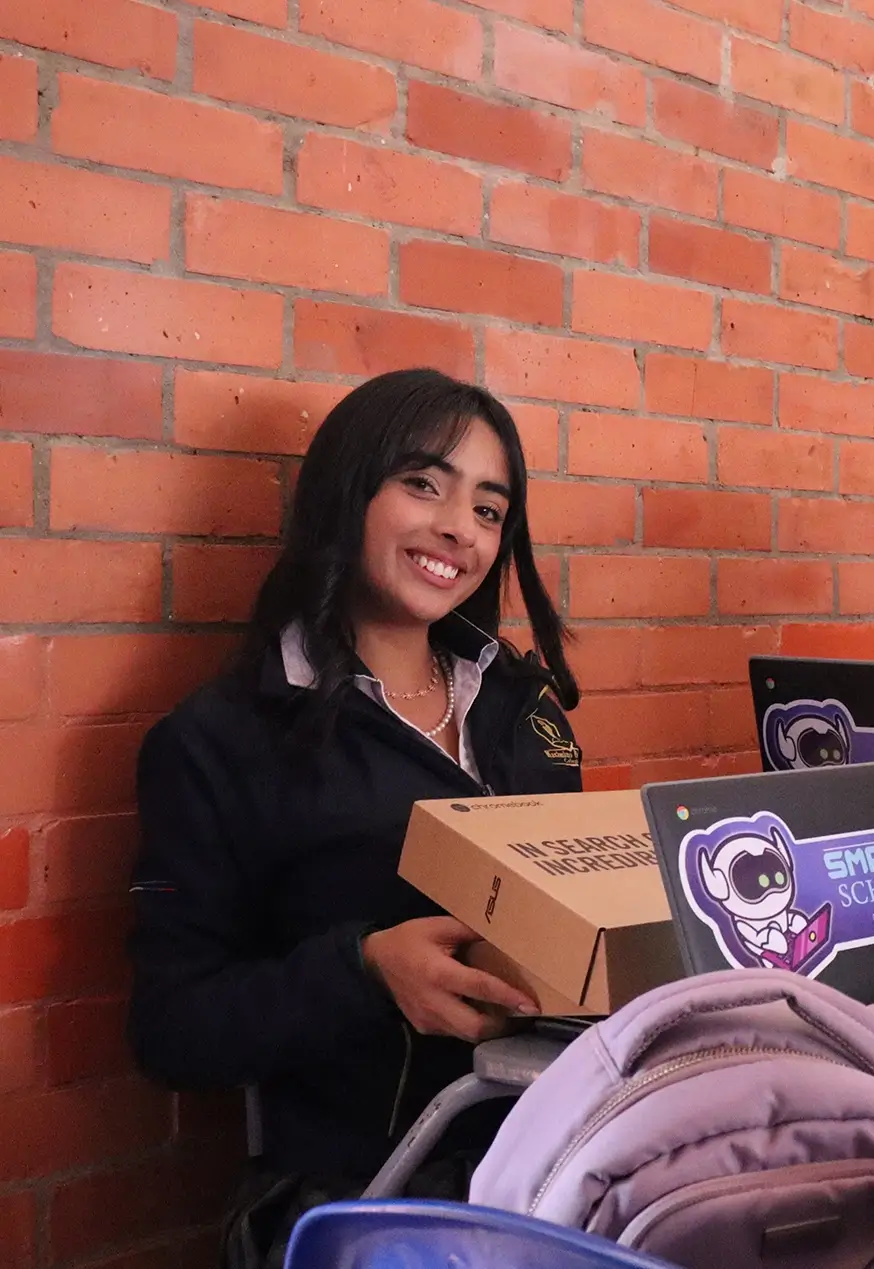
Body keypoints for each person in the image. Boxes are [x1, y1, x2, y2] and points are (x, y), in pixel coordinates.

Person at [126, 369, 585, 1267]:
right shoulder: (218, 740)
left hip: (558, 1166)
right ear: (348, 491)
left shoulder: (525, 708)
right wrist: (366, 969)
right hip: (361, 1196)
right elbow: (171, 1026)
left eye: (490, 509)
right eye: (424, 483)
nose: (460, 527)